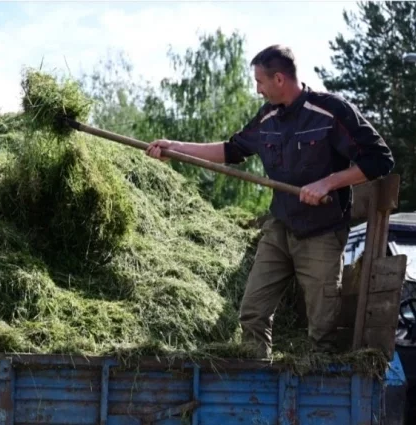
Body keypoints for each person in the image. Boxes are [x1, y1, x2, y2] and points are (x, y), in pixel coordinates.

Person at [145, 44, 395, 358]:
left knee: (322, 326)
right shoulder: (268, 117)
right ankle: (257, 381)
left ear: (279, 79)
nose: (257, 90)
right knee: (252, 311)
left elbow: (380, 160)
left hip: (322, 231)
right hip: (280, 227)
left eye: (260, 82)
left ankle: (318, 387)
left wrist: (329, 181)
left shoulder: (331, 112)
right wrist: (173, 147)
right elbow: (230, 150)